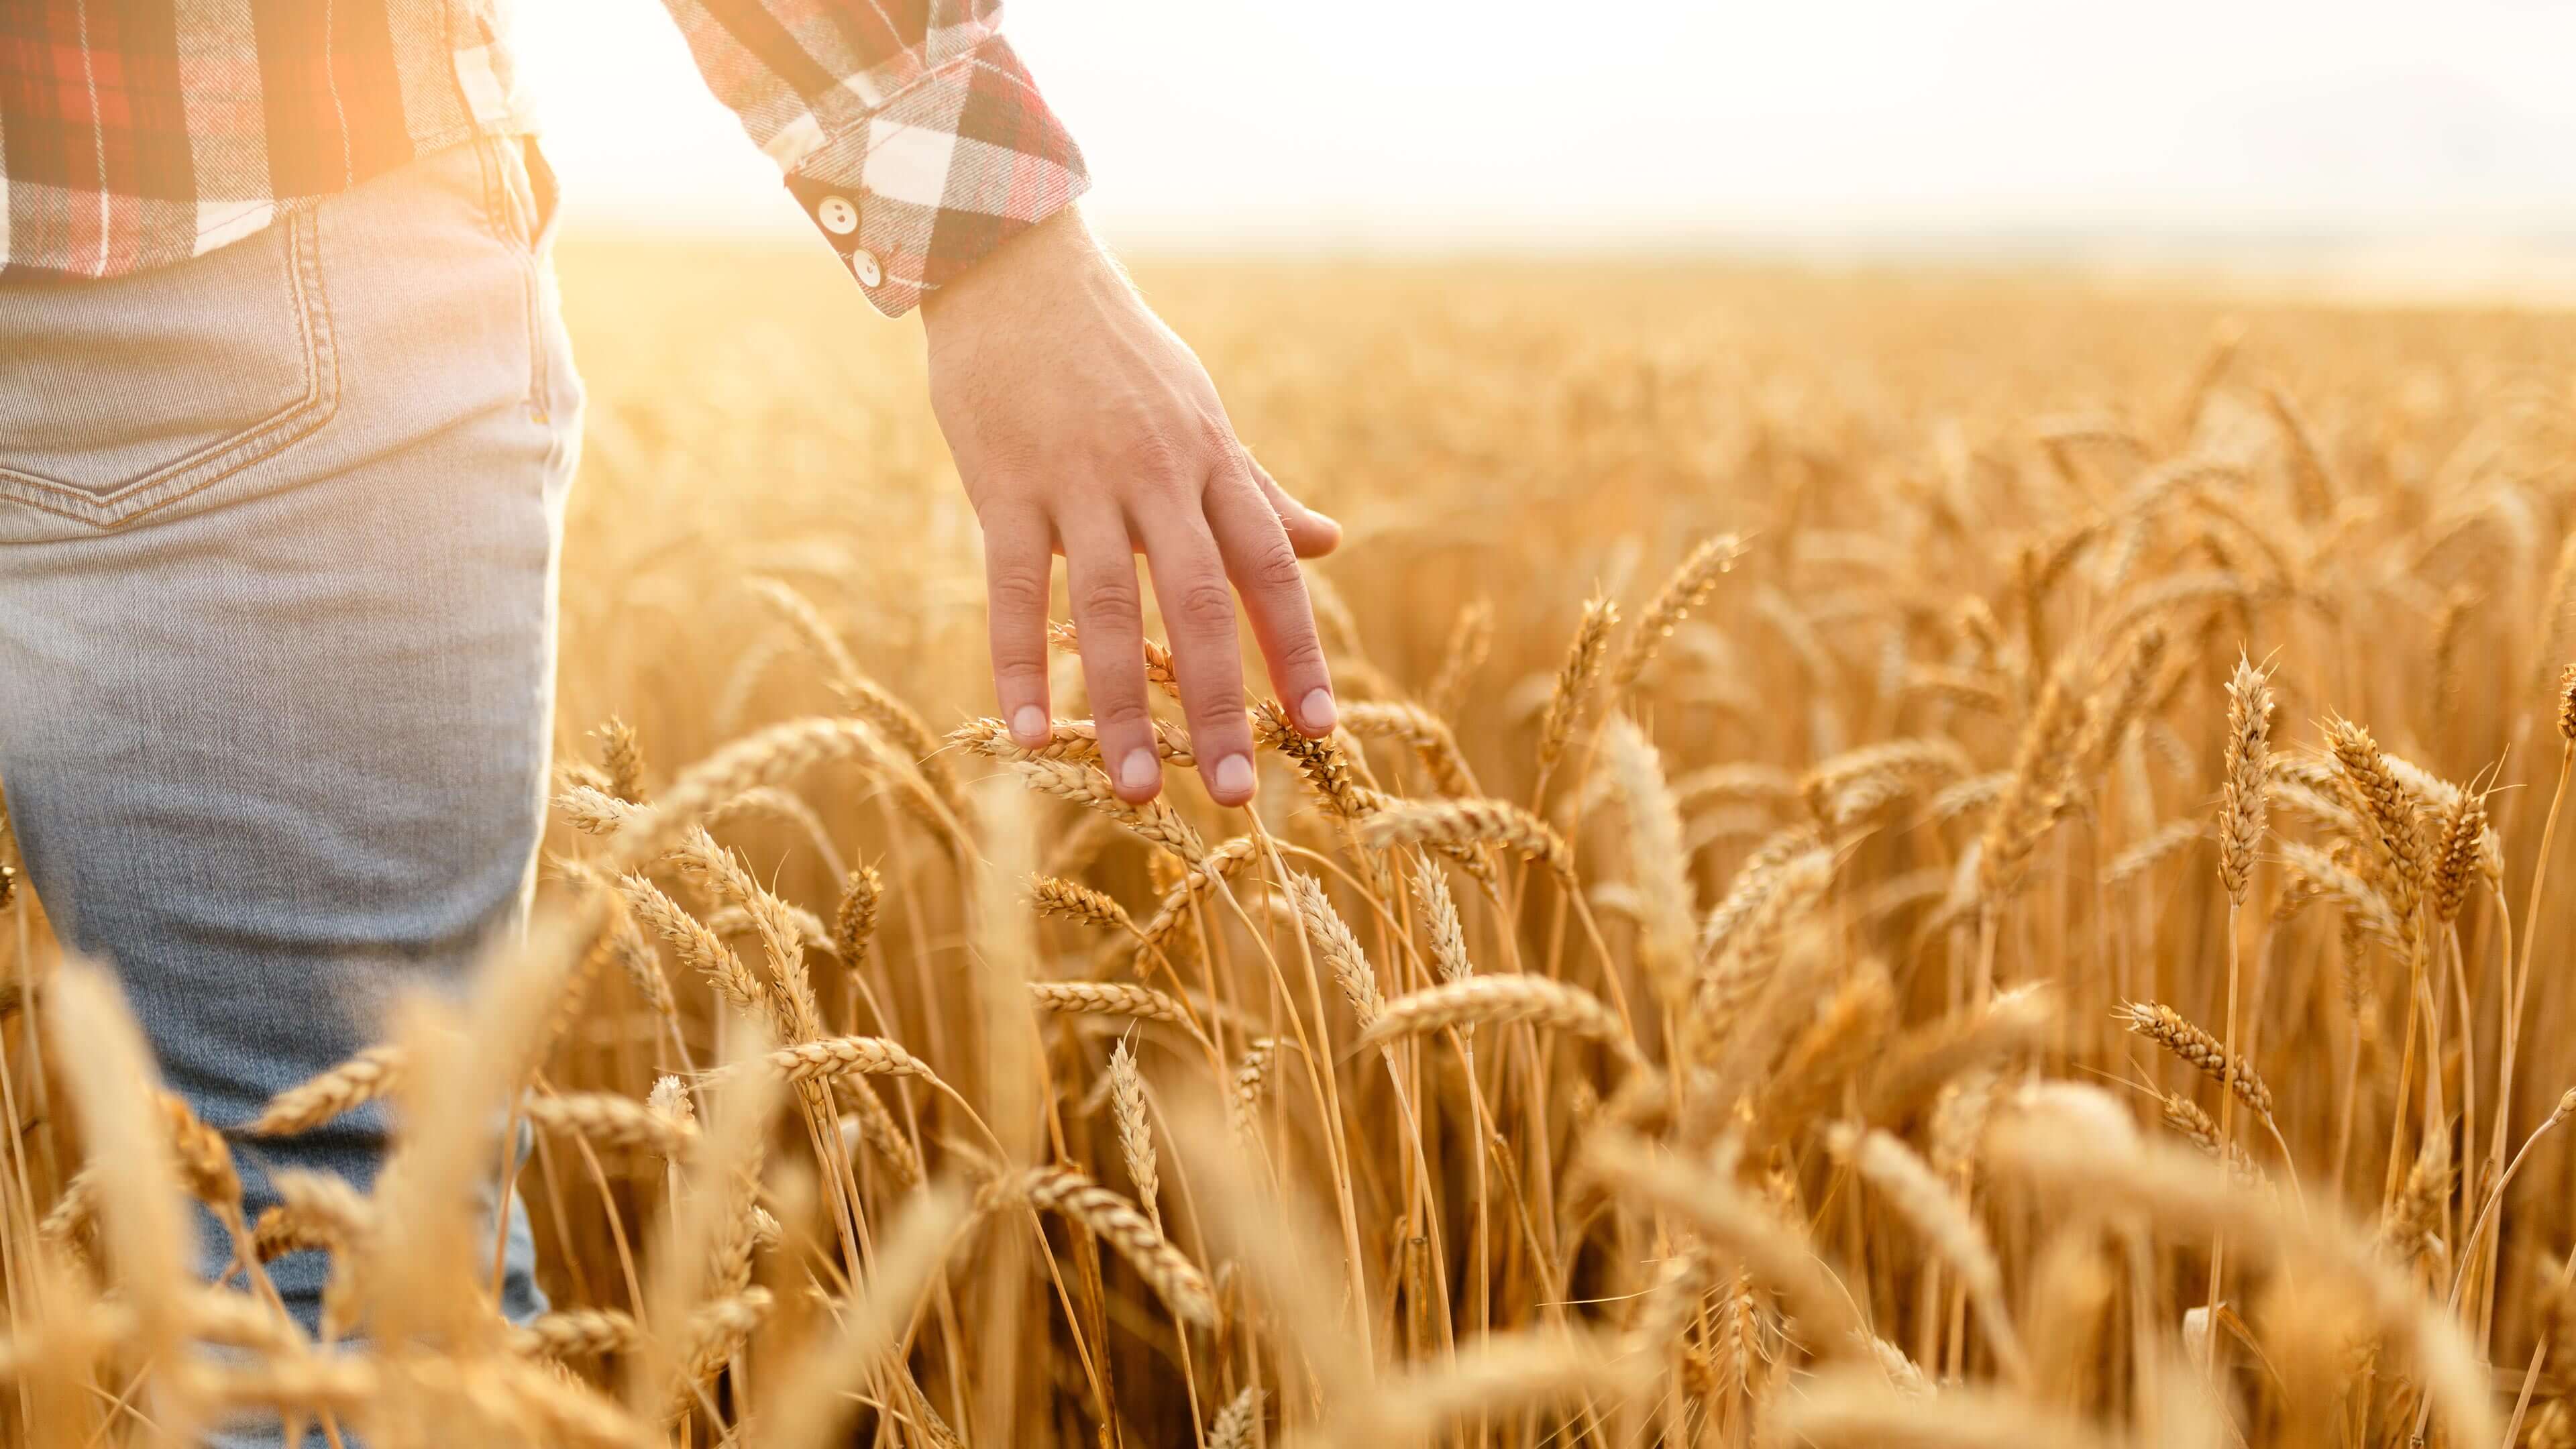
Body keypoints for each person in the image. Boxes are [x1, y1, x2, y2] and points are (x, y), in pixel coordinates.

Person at [0, 1, 1337, 1440]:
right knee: (341, 1272)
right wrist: (988, 229)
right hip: (228, 264)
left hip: (209, 277)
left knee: (340, 1268)